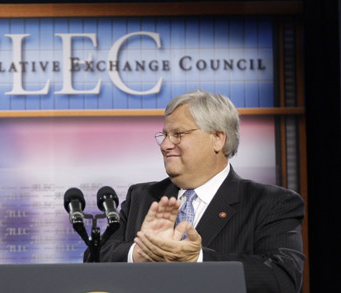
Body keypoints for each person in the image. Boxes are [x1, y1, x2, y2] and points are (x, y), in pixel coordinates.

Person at [98, 90, 305, 292]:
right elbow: (96, 259)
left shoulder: (271, 203)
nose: (165, 145)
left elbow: (283, 278)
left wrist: (197, 259)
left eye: (178, 134)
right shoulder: (142, 197)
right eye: (164, 135)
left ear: (217, 138)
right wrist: (138, 253)